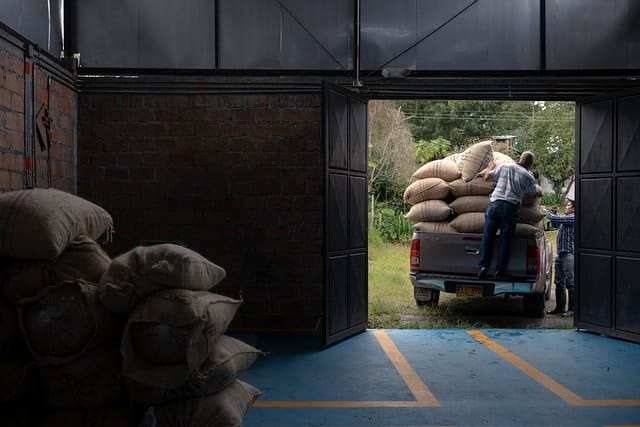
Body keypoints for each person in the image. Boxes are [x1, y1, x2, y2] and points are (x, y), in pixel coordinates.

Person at [478, 151, 538, 280]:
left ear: (520, 158)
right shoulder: (528, 176)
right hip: (510, 208)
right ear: (531, 164)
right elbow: (533, 192)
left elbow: (487, 177)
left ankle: (483, 266)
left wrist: (490, 167)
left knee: (488, 236)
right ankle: (500, 271)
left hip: (494, 204)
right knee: (505, 240)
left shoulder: (505, 166)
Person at [545, 199, 576, 316]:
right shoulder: (566, 218)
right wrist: (554, 213)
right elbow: (555, 224)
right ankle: (560, 308)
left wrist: (547, 212)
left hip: (569, 254)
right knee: (559, 282)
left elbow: (555, 219)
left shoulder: (573, 218)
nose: (566, 207)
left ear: (574, 208)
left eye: (568, 205)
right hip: (560, 254)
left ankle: (572, 310)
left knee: (570, 282)